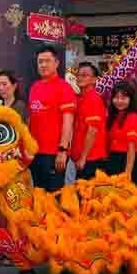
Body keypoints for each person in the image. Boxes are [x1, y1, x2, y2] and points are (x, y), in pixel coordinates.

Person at [27, 46, 77, 192]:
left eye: (47, 61)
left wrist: (62, 150)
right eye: (40, 61)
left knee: (53, 196)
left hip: (54, 153)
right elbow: (31, 120)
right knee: (37, 193)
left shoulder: (64, 88)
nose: (43, 65)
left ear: (56, 63)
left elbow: (68, 122)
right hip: (35, 152)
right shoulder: (34, 87)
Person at [70, 62, 107, 180]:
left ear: (95, 79)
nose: (80, 78)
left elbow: (92, 131)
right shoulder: (80, 98)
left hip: (91, 158)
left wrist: (83, 157)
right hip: (79, 157)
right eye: (79, 75)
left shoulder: (94, 99)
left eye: (85, 75)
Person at [103, 82, 137, 180]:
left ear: (131, 99)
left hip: (127, 161)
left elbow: (131, 148)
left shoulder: (133, 117)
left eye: (123, 98)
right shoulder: (113, 117)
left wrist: (127, 172)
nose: (119, 101)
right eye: (116, 97)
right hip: (114, 160)